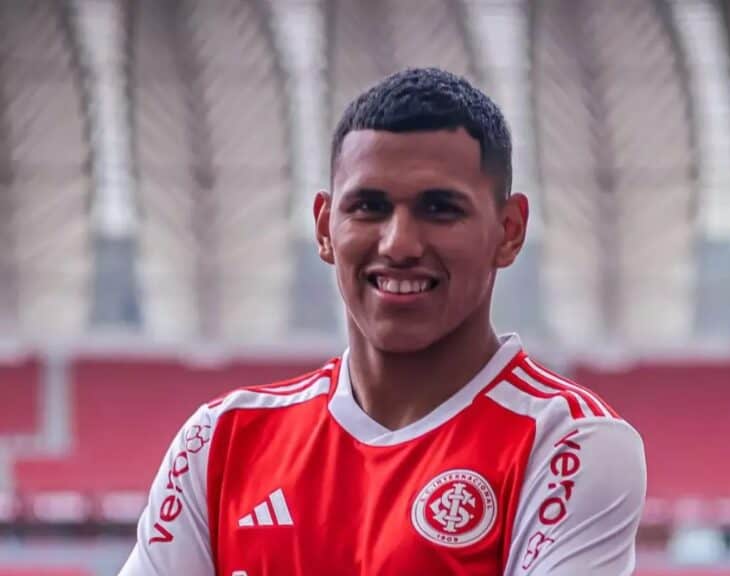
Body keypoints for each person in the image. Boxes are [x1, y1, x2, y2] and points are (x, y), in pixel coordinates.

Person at [118, 67, 646, 576]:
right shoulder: (220, 441)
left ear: (508, 231)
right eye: (368, 207)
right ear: (325, 228)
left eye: (440, 209)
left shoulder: (568, 442)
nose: (399, 244)